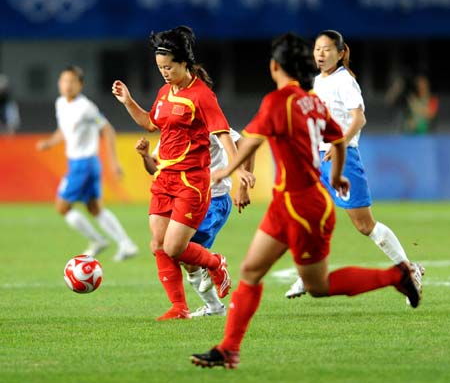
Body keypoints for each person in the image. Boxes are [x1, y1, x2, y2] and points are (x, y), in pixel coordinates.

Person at [190, 32, 422, 369]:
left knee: (317, 285)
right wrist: (339, 175)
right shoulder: (311, 101)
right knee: (252, 272)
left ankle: (396, 277)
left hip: (301, 207)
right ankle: (228, 349)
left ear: (274, 66)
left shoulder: (278, 102)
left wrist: (227, 173)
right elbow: (339, 142)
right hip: (293, 202)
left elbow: (252, 142)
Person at [112, 26, 255, 321]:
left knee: (175, 247)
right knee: (158, 245)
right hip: (164, 178)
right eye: (160, 67)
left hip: (192, 181)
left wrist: (239, 171)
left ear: (184, 63)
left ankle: (215, 263)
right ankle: (180, 307)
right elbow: (152, 124)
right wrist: (128, 101)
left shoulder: (202, 96)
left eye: (169, 67)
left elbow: (225, 136)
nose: (164, 73)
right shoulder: (165, 92)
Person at [284, 30, 424, 300]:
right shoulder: (316, 81)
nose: (321, 54)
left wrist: (339, 143)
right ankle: (307, 275)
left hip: (343, 158)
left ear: (340, 53)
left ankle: (409, 270)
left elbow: (358, 119)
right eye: (317, 49)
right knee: (307, 215)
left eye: (327, 49)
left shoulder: (345, 81)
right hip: (317, 159)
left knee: (364, 225)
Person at [135, 130, 254, 317]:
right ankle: (212, 306)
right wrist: (145, 156)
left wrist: (243, 187)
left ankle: (214, 264)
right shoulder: (172, 127)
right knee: (179, 255)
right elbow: (155, 168)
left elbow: (246, 145)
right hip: (184, 198)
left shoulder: (210, 123)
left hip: (213, 199)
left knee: (177, 250)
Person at [36, 66, 138, 261]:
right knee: (94, 209)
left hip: (84, 164)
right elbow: (63, 130)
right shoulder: (61, 103)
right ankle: (127, 244)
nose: (67, 85)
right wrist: (49, 143)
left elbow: (107, 130)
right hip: (79, 164)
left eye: (72, 81)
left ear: (80, 85)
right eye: (64, 80)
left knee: (62, 207)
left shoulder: (86, 107)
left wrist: (114, 163)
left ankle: (98, 240)